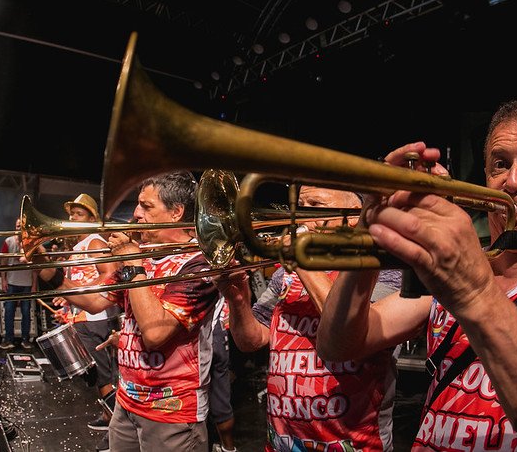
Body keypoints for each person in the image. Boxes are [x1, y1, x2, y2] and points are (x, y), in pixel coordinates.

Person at [317, 97, 517, 450]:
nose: (513, 181)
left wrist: (475, 292)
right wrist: (371, 228)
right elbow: (337, 345)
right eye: (500, 165)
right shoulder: (455, 268)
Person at [40, 170, 220, 452]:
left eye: (146, 206)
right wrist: (50, 272)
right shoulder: (142, 254)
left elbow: (156, 333)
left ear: (176, 212)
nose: (136, 214)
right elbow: (95, 301)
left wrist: (133, 263)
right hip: (126, 403)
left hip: (171, 412)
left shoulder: (198, 265)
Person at [215, 186, 401, 451]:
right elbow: (251, 341)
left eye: (314, 205)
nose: (300, 215)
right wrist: (237, 300)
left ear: (353, 217)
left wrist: (301, 261)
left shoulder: (381, 269)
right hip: (281, 442)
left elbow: (349, 329)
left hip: (353, 443)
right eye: (299, 205)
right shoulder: (284, 274)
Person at [40, 193, 121, 450]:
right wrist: (68, 300)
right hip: (83, 316)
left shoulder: (95, 242)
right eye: (72, 214)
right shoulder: (80, 245)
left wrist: (81, 293)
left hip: (94, 317)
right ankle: (109, 416)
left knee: (102, 376)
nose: (73, 218)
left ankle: (117, 430)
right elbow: (79, 280)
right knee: (96, 375)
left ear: (92, 218)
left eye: (79, 214)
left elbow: (109, 275)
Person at [0, 218, 37, 350]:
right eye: (17, 226)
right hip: (11, 282)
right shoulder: (8, 241)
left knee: (26, 312)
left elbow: (35, 266)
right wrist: (3, 279)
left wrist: (34, 284)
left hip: (27, 283)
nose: (18, 228)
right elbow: (3, 261)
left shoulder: (31, 243)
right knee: (9, 311)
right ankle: (8, 339)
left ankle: (25, 339)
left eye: (21, 226)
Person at [207, 295, 235, 452]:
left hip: (197, 330)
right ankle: (228, 448)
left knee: (193, 395)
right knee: (220, 394)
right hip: (217, 329)